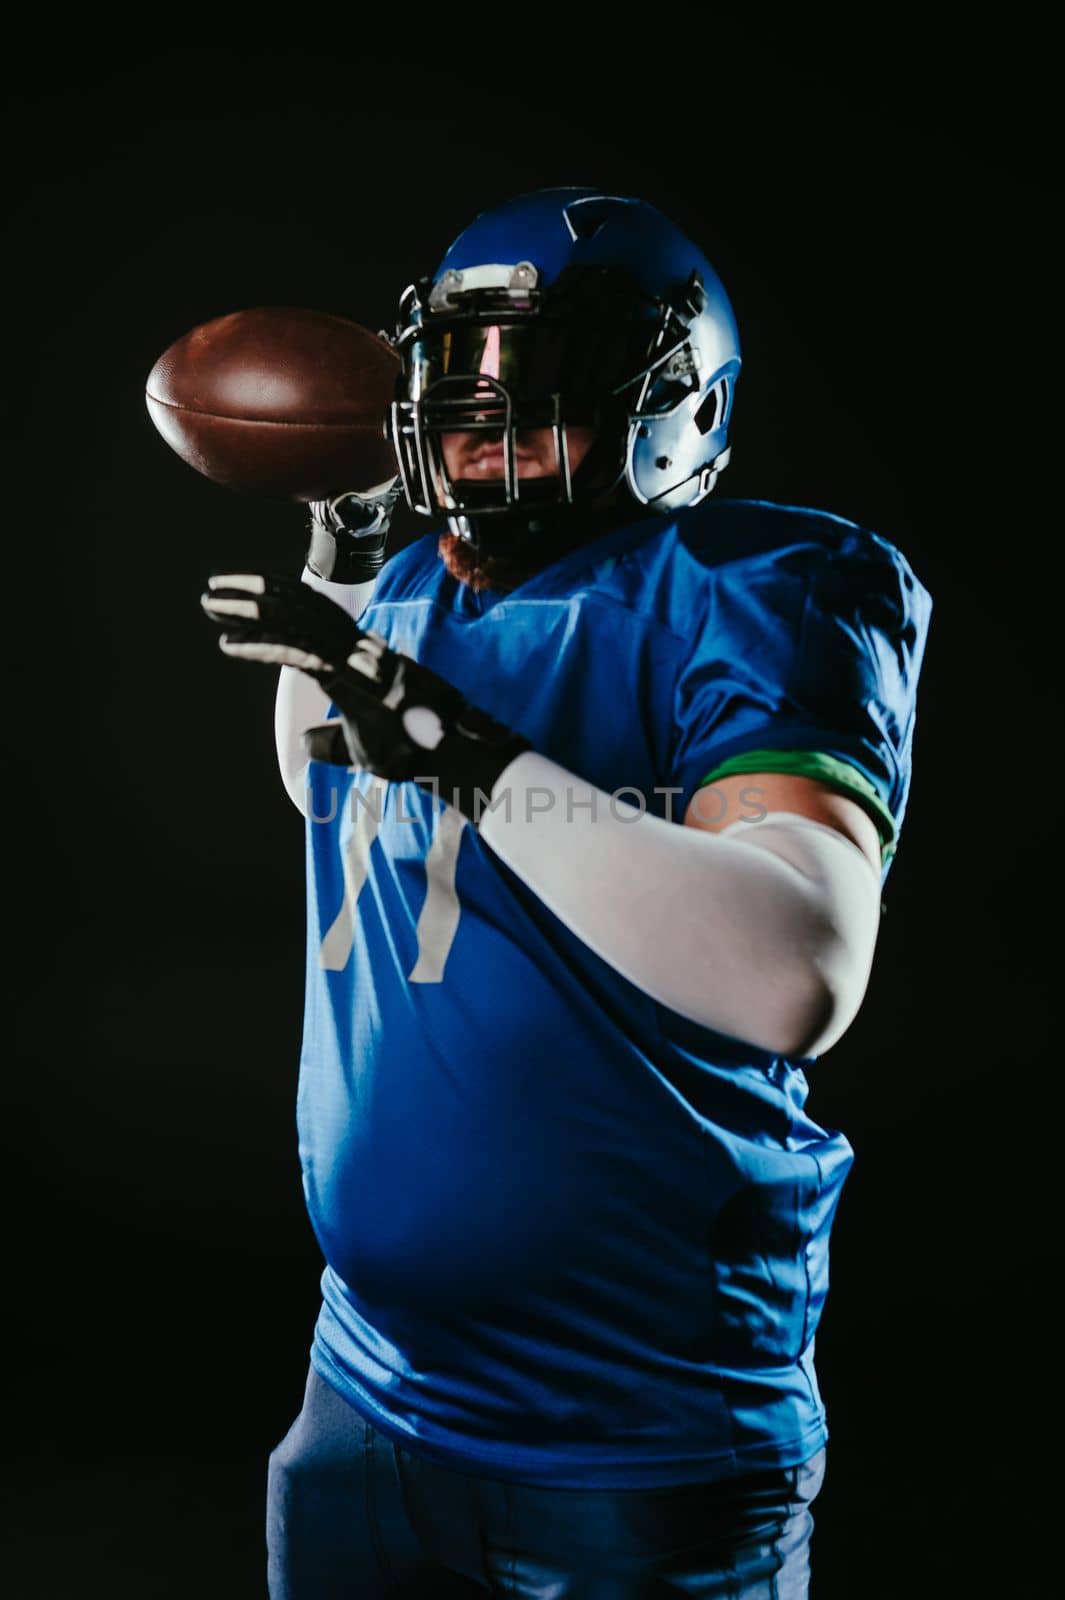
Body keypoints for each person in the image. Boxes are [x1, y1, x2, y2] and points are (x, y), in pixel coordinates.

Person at [201, 187, 932, 1598]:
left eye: (535, 383)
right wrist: (348, 567)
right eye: (458, 376)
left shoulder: (758, 585)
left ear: (665, 404)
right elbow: (328, 792)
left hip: (632, 1428)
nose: (481, 415)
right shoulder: (407, 573)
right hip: (362, 1383)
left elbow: (797, 968)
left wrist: (459, 746)